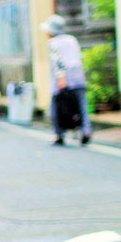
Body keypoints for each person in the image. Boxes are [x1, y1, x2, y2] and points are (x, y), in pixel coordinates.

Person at [41, 14, 92, 146]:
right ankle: (85, 131)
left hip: (62, 81)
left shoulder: (53, 43)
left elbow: (57, 62)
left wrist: (61, 79)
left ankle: (59, 134)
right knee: (82, 107)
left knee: (56, 108)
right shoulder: (71, 40)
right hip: (78, 79)